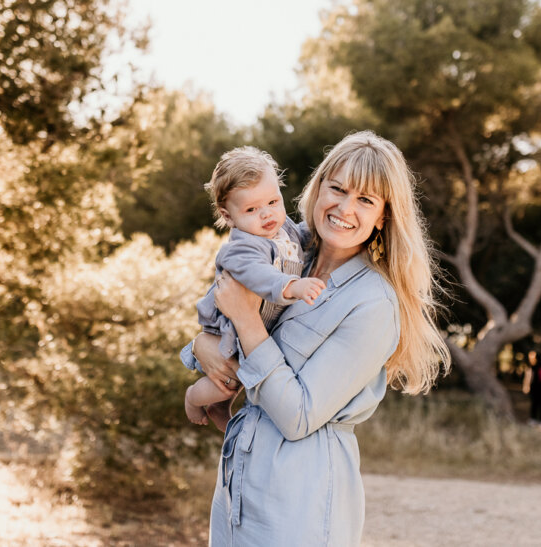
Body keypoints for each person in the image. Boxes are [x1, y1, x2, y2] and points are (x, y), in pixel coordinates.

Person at [183, 131, 452, 545]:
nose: (345, 208)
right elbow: (222, 315)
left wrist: (247, 321)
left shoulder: (373, 303)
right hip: (239, 480)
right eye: (338, 189)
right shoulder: (286, 254)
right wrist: (199, 346)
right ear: (318, 187)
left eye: (365, 200)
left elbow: (299, 417)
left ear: (383, 215)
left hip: (299, 492)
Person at [183, 147, 327, 431]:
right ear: (228, 216)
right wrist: (292, 285)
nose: (267, 214)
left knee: (243, 379)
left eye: (273, 201)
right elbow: (258, 274)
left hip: (255, 325)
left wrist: (324, 233)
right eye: (251, 210)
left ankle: (220, 407)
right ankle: (194, 397)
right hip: (228, 331)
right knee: (228, 381)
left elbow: (305, 237)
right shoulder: (241, 248)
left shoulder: (283, 228)